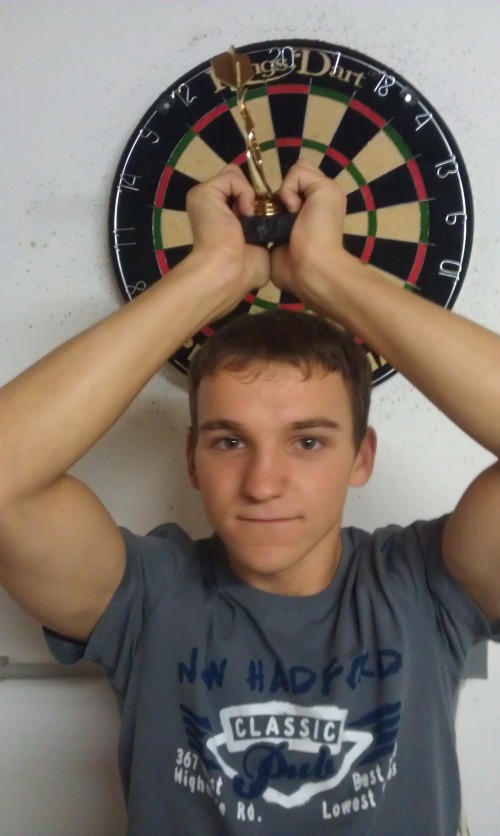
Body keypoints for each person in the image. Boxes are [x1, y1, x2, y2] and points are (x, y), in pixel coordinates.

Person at [0, 159, 498, 835]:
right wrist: (211, 275)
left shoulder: (422, 587)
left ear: (361, 458)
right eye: (230, 441)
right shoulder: (151, 598)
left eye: (308, 442)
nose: (263, 484)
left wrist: (329, 273)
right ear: (193, 460)